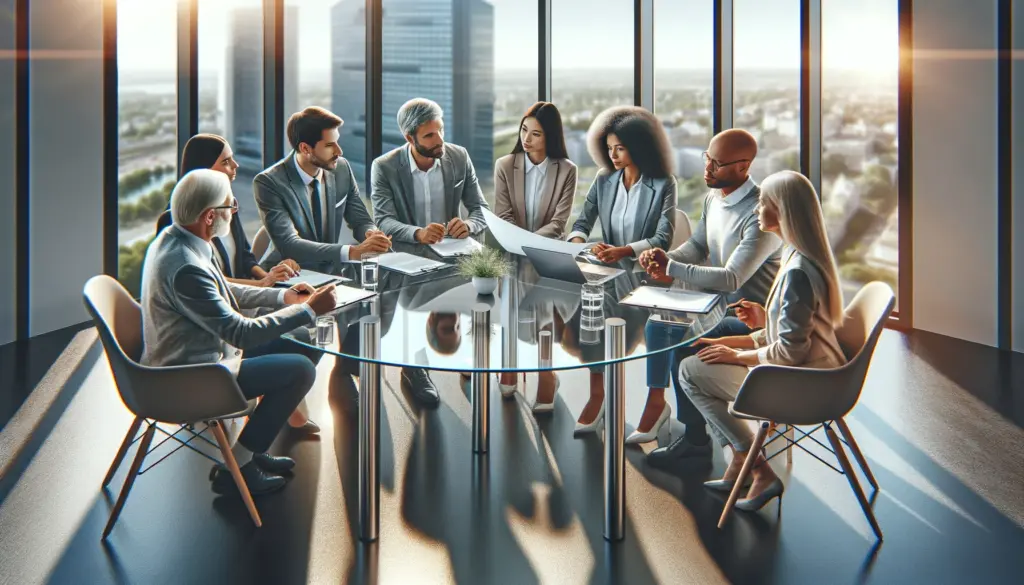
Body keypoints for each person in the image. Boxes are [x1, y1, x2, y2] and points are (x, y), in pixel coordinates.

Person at [140, 169, 338, 495]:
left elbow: (224, 289)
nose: (234, 213)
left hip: (205, 354)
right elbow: (241, 334)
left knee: (309, 340)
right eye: (231, 207)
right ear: (209, 216)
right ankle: (240, 465)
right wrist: (307, 309)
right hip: (196, 374)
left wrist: (282, 296)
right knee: (299, 369)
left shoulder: (178, 240)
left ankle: (252, 452)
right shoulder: (186, 266)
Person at [676, 170, 847, 510]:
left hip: (802, 385)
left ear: (783, 211)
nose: (756, 209)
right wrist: (759, 323)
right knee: (701, 356)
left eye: (765, 203)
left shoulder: (796, 272)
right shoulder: (802, 257)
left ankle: (754, 465)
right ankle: (745, 462)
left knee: (689, 373)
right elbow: (794, 333)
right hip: (819, 370)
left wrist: (737, 355)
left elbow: (788, 353)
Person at [638, 129, 783, 461]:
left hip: (750, 320)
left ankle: (696, 440)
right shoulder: (712, 199)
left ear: (743, 167)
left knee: (684, 343)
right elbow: (698, 246)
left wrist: (672, 270)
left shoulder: (761, 213)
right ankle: (658, 404)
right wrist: (667, 258)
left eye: (716, 164)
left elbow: (732, 279)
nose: (708, 169)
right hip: (712, 306)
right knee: (657, 324)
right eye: (707, 158)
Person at [370, 97, 491, 406]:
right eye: (429, 135)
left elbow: (480, 209)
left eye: (440, 131)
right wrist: (417, 233)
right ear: (409, 138)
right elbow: (382, 219)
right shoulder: (384, 167)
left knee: (484, 290)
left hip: (455, 251)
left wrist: (469, 224)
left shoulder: (458, 157)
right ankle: (415, 369)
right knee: (411, 308)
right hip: (409, 255)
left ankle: (474, 360)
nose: (440, 141)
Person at [564, 106, 676, 432]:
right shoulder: (604, 180)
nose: (612, 155)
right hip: (609, 268)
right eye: (609, 147)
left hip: (645, 274)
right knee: (582, 300)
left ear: (638, 146)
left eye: (620, 148)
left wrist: (624, 251)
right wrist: (578, 241)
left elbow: (662, 237)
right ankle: (598, 393)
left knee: (601, 309)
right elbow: (582, 221)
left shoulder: (663, 183)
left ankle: (640, 398)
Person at [492, 101, 577, 399]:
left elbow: (559, 222)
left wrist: (530, 245)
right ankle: (510, 366)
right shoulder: (505, 165)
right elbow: (503, 214)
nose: (526, 139)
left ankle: (546, 374)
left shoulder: (567, 170)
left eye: (536, 134)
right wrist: (519, 245)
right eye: (524, 130)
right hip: (512, 253)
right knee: (511, 305)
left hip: (546, 253)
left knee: (544, 314)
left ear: (550, 137)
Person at [253, 107, 392, 274]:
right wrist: (352, 252)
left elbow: (360, 220)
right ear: (305, 148)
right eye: (329, 145)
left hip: (332, 273)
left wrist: (372, 234)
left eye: (337, 142)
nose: (339, 151)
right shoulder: (269, 182)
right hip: (287, 275)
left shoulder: (341, 168)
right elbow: (289, 244)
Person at [154, 134, 299, 287]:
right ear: (204, 169)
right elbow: (208, 279)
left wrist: (270, 277)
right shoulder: (176, 220)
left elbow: (245, 256)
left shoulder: (227, 204)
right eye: (226, 162)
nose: (235, 165)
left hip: (244, 294)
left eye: (232, 158)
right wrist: (263, 284)